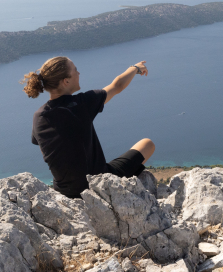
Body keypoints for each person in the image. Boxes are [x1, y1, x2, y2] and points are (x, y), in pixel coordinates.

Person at [21, 56, 155, 198]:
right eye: (75, 70)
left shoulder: (39, 116)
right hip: (98, 184)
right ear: (66, 81)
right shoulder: (82, 103)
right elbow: (117, 86)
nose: (79, 73)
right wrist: (135, 68)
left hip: (65, 193)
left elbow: (48, 153)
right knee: (147, 144)